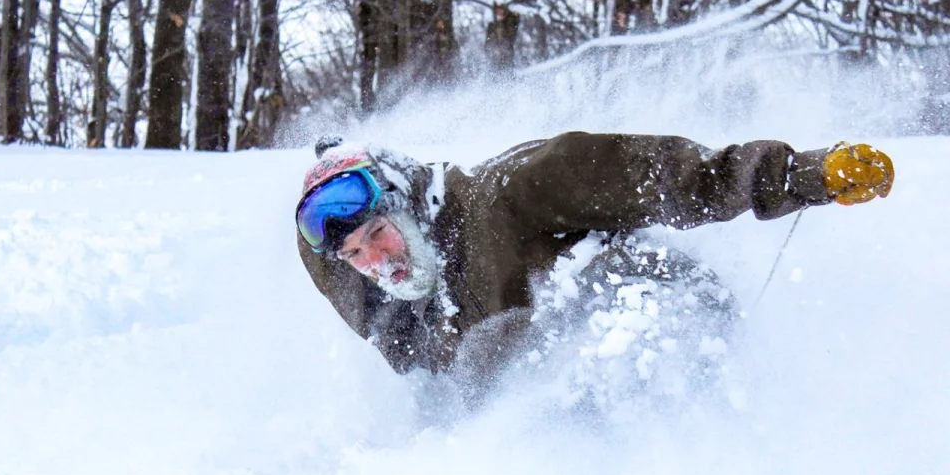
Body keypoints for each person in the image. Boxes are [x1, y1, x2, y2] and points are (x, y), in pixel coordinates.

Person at [296, 132, 893, 385]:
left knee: (591, 300)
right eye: (354, 255)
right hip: (571, 445)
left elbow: (661, 175)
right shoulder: (415, 320)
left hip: (662, 340)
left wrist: (799, 175)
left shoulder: (507, 195)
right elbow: (326, 266)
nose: (376, 261)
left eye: (378, 232)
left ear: (411, 205)